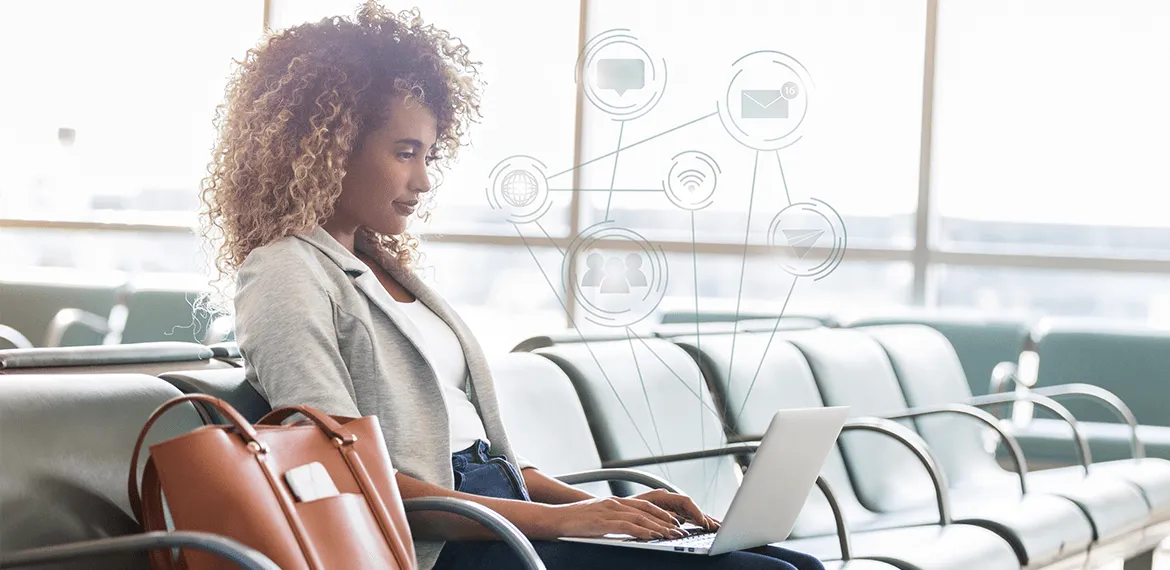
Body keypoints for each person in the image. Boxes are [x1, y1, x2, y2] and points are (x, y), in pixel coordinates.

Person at [198, 3, 826, 570]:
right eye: (406, 151)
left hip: (499, 515)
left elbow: (480, 457)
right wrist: (563, 520)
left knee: (801, 567)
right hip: (439, 544)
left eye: (430, 156)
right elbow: (345, 474)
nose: (422, 180)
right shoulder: (284, 271)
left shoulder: (379, 265)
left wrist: (616, 511)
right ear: (330, 146)